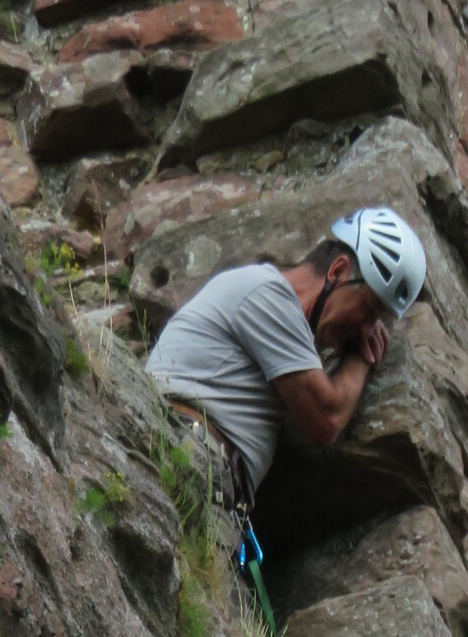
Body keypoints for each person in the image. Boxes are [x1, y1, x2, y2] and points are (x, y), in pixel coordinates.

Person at [145, 205, 428, 519]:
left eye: (378, 323)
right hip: (189, 448)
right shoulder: (270, 296)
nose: (368, 330)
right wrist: (361, 359)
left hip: (200, 462)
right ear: (338, 271)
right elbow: (327, 418)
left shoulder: (273, 306)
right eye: (369, 310)